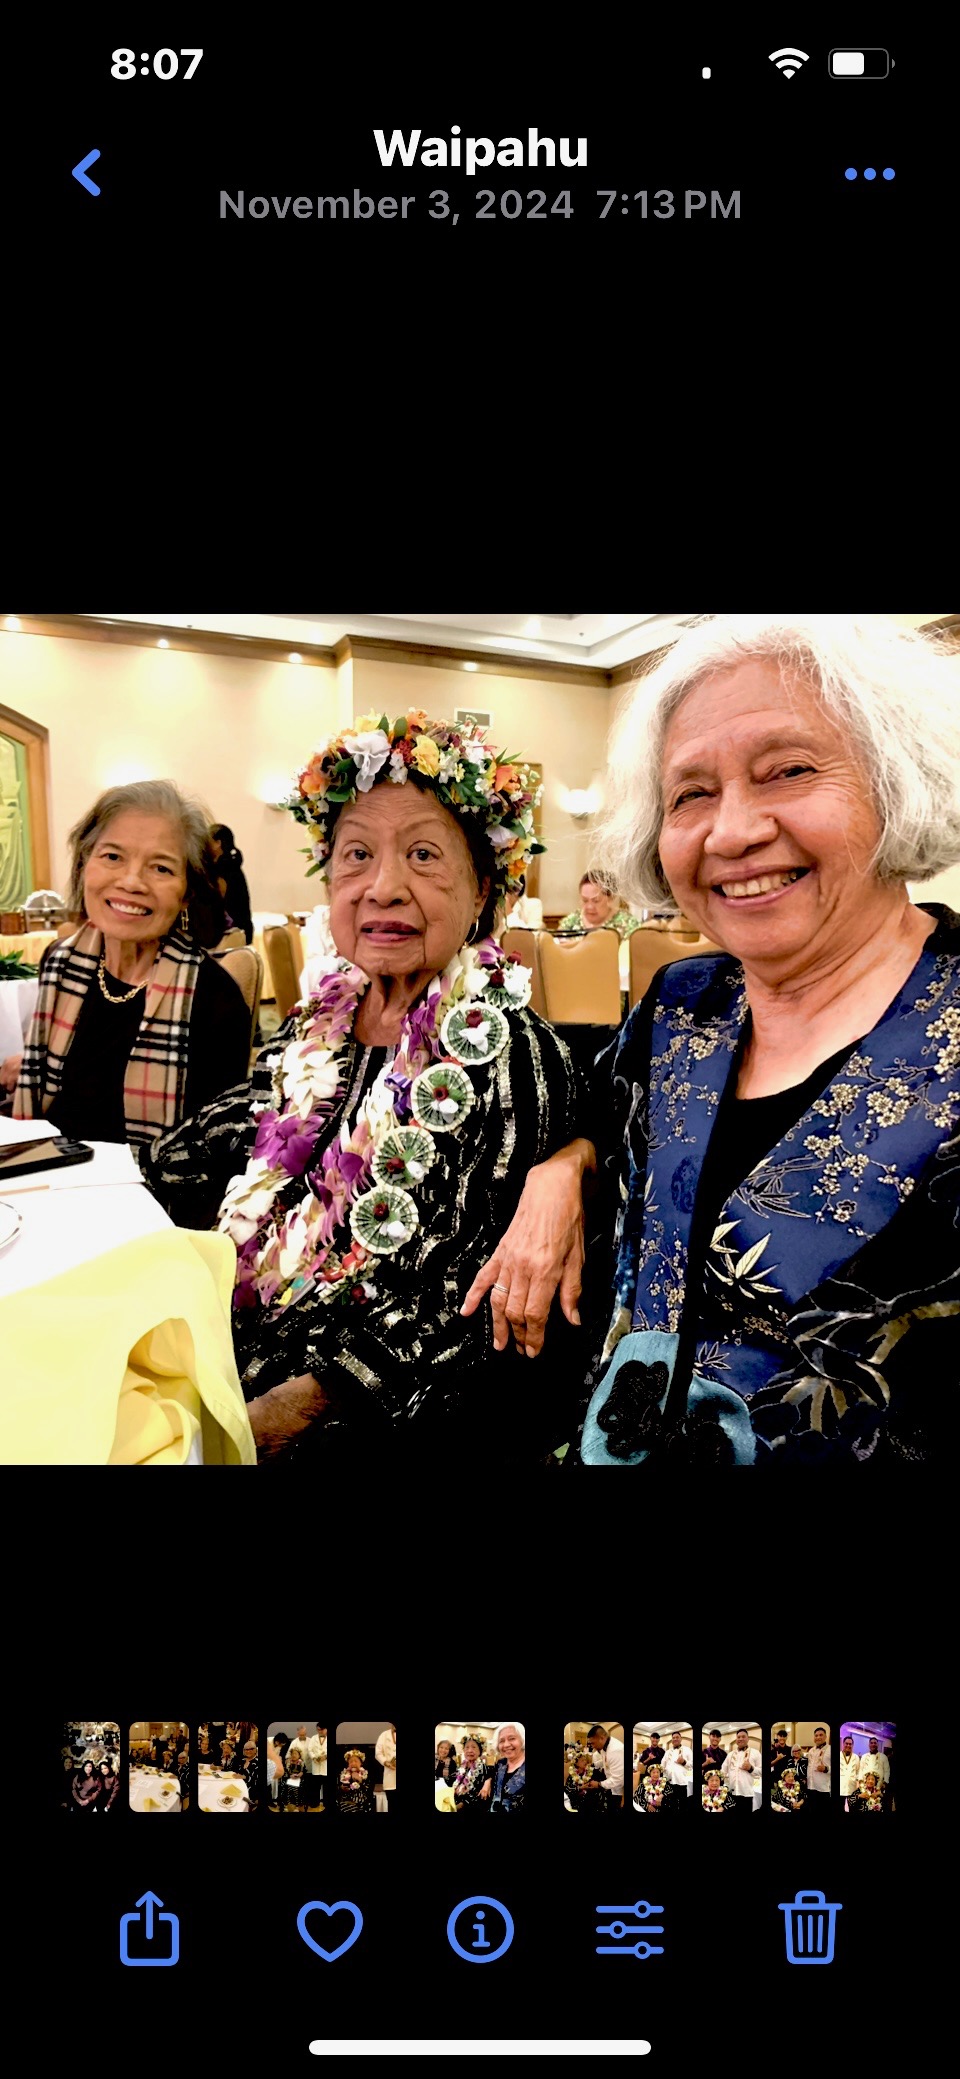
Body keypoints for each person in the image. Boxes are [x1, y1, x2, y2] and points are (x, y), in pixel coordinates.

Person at [515, 614, 960, 1466]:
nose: (731, 832)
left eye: (788, 770)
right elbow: (604, 1110)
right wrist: (565, 1164)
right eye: (691, 794)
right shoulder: (683, 1001)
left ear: (898, 780)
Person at [140, 713, 587, 1465]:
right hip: (233, 1342)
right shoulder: (314, 1028)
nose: (383, 886)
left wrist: (252, 1425)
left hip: (371, 1424)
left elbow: (456, 1315)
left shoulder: (510, 1054)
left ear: (483, 887)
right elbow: (214, 1142)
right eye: (356, 855)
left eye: (422, 854)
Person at [4, 780, 250, 1143]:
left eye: (161, 868)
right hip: (44, 1177)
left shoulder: (215, 998)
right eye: (113, 857)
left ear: (187, 894)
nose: (132, 882)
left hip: (150, 1194)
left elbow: (212, 1152)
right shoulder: (59, 965)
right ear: (85, 865)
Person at [559, 870, 640, 940]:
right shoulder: (571, 922)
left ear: (610, 898)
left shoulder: (628, 924)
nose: (589, 906)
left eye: (596, 901)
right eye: (585, 900)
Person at [209, 823, 254, 944]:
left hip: (232, 933)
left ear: (218, 843)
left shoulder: (224, 870)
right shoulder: (233, 865)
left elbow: (220, 901)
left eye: (208, 841)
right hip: (242, 930)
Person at [481, 1722, 526, 1812]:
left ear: (523, 1740)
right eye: (501, 1741)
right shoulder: (501, 1763)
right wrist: (487, 1781)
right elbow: (491, 1774)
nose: (506, 1745)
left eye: (512, 1738)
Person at [721, 1729, 762, 1814]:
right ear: (736, 1740)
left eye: (743, 1736)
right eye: (738, 1737)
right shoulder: (730, 1754)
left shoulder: (755, 1753)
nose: (740, 1739)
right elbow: (723, 1771)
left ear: (748, 1739)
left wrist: (751, 1768)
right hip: (732, 1793)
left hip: (746, 1794)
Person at [584, 1723, 625, 1805]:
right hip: (610, 1783)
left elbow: (618, 1780)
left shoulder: (615, 1750)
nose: (592, 1746)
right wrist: (593, 1765)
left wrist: (599, 1784)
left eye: (593, 1743)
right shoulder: (605, 1744)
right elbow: (605, 1760)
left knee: (613, 1807)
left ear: (602, 1738)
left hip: (617, 1788)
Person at [452, 1736, 490, 1813]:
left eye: (474, 1747)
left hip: (470, 1807)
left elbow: (476, 1794)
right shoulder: (462, 1766)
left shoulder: (482, 1768)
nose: (470, 1750)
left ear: (480, 1751)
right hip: (455, 1801)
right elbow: (456, 1782)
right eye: (467, 1747)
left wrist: (460, 1805)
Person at [661, 1729, 693, 1811]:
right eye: (673, 1738)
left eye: (677, 1737)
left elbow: (692, 1765)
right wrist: (663, 1771)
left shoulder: (687, 1750)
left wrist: (684, 1762)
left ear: (681, 1739)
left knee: (683, 1803)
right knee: (672, 1803)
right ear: (672, 1740)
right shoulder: (667, 1752)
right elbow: (662, 1764)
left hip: (682, 1782)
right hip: (670, 1782)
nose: (675, 1739)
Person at [339, 1748, 374, 1813]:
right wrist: (342, 1788)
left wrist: (360, 1781)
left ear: (361, 1763)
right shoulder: (343, 1774)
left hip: (362, 1804)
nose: (353, 1763)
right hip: (345, 1803)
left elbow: (369, 1792)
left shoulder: (366, 1775)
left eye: (356, 1761)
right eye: (351, 1762)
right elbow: (338, 1790)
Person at [807, 1727, 831, 1811]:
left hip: (823, 1788)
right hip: (811, 1787)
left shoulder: (830, 1749)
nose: (818, 1737)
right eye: (816, 1735)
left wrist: (826, 1769)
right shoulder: (811, 1751)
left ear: (825, 1737)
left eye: (821, 1735)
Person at [303, 1725, 327, 1809]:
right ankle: (314, 1803)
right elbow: (310, 1750)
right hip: (316, 1765)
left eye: (321, 1729)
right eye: (318, 1730)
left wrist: (326, 1756)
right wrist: (314, 1757)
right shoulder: (313, 1738)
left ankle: (326, 1804)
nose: (320, 1731)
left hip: (325, 1766)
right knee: (315, 1787)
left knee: (326, 1787)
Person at [375, 1723, 396, 1812]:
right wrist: (386, 1762)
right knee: (392, 1804)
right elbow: (378, 1753)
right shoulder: (384, 1735)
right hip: (390, 1776)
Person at [839, 1734, 861, 1804]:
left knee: (853, 1808)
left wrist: (858, 1782)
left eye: (850, 1744)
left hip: (852, 1788)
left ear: (852, 1745)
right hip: (840, 1788)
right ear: (843, 1744)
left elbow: (858, 1771)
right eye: (846, 1743)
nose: (848, 1745)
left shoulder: (856, 1757)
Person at [241, 1740, 259, 1806]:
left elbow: (257, 1781)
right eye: (246, 1749)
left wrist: (245, 1777)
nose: (248, 1751)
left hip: (251, 1792)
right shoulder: (242, 1760)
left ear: (255, 1750)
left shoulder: (257, 1762)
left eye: (251, 1749)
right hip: (239, 1786)